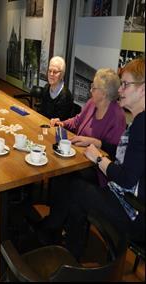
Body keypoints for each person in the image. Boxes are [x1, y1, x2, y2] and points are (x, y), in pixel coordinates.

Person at [62, 57, 145, 260]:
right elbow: (129, 157)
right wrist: (100, 144)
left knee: (76, 190)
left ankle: (72, 256)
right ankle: (72, 242)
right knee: (77, 188)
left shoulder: (141, 125)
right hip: (132, 201)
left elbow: (126, 178)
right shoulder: (140, 121)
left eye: (125, 85)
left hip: (134, 211)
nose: (120, 90)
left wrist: (99, 159)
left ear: (143, 89)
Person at [50, 68, 126, 186]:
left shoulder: (117, 116)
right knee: (56, 161)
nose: (90, 90)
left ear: (104, 93)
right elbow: (77, 120)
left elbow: (114, 151)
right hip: (78, 155)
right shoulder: (92, 102)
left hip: (96, 168)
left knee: (65, 175)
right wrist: (63, 123)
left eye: (94, 88)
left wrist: (94, 142)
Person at [39, 56, 73, 120]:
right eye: (49, 71)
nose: (51, 74)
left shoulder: (66, 96)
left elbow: (61, 123)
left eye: (55, 72)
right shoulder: (46, 88)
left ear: (62, 74)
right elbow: (42, 112)